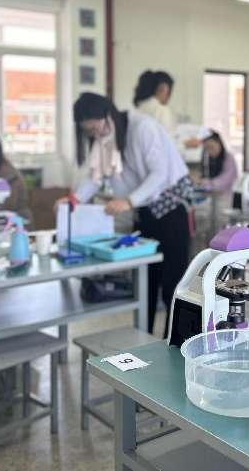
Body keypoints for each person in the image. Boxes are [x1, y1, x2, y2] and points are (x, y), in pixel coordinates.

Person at [69, 92, 194, 337]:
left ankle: (174, 344)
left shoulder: (142, 128)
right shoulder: (105, 136)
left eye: (95, 127)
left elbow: (159, 174)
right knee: (145, 281)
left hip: (172, 208)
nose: (94, 134)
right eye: (88, 131)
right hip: (145, 210)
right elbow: (97, 176)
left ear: (107, 114)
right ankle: (144, 341)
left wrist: (128, 200)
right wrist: (75, 199)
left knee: (172, 282)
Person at [133, 70, 176, 134]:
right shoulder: (162, 110)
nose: (169, 96)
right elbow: (168, 138)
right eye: (169, 91)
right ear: (163, 89)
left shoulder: (139, 108)